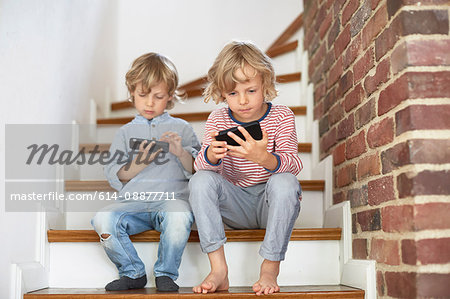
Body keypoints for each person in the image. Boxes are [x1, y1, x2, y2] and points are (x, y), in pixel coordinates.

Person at [188, 41, 303, 296]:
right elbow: (200, 167)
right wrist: (211, 155)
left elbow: (294, 164)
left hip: (268, 204)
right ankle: (219, 269)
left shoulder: (282, 116)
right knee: (200, 180)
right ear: (221, 93)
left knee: (285, 182)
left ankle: (270, 268)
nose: (242, 100)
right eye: (232, 94)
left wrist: (264, 158)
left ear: (265, 85)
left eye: (251, 90)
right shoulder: (217, 119)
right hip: (234, 205)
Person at [91, 52, 201, 292]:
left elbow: (198, 168)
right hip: (133, 203)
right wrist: (140, 161)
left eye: (158, 96)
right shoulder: (124, 132)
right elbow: (117, 175)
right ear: (132, 93)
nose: (149, 102)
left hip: (172, 201)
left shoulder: (182, 128)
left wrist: (180, 151)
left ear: (170, 96)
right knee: (102, 218)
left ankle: (166, 273)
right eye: (142, 95)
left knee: (180, 216)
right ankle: (132, 272)